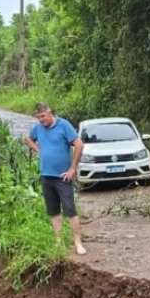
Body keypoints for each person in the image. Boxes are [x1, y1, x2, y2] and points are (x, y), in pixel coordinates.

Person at [25, 103, 87, 256]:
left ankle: (78, 243)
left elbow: (79, 144)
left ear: (50, 113)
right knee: (53, 211)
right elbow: (27, 138)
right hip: (46, 176)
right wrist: (37, 149)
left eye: (43, 116)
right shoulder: (38, 128)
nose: (41, 120)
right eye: (38, 117)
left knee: (70, 210)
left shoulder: (64, 125)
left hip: (62, 177)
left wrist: (72, 168)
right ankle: (59, 242)